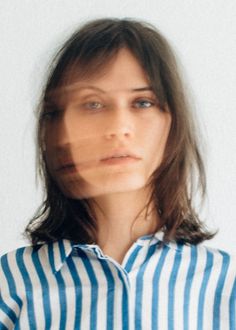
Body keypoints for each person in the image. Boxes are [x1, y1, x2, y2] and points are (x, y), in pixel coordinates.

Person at [0, 17, 235, 330]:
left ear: (173, 122)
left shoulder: (225, 286)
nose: (119, 128)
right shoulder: (11, 284)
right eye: (94, 104)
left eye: (142, 102)